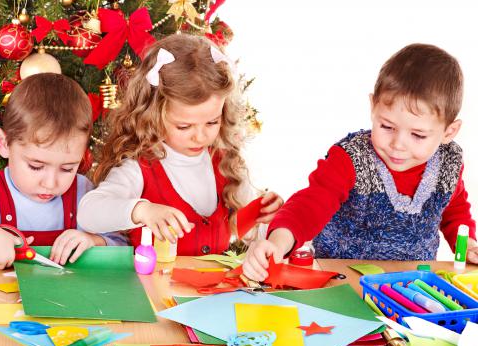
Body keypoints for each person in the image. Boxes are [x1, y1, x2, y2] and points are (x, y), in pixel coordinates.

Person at [243, 43, 478, 281]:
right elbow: (310, 205)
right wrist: (277, 242)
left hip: (410, 284)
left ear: (449, 131)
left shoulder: (448, 164)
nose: (398, 144)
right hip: (342, 278)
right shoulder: (351, 158)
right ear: (373, 106)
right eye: (386, 126)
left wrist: (467, 246)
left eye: (417, 135)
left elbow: (454, 210)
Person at [0, 73, 125, 346]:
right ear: (3, 142)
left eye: (67, 168)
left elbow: (122, 242)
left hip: (65, 331)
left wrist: (94, 240)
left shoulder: (83, 192)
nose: (51, 183)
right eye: (35, 166)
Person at [78, 34, 282, 256]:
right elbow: (89, 212)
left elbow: (244, 231)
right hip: (151, 289)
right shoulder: (139, 168)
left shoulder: (226, 163)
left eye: (212, 122)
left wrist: (263, 215)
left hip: (216, 290)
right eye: (184, 127)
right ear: (154, 114)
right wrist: (141, 210)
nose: (200, 137)